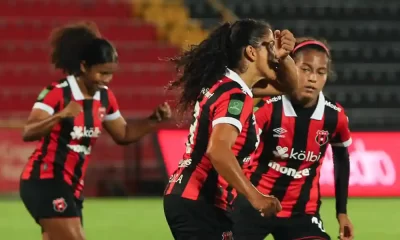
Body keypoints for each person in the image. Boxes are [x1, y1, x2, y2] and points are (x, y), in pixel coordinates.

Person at [19, 22, 171, 240]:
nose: (106, 80)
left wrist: (152, 121)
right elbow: (29, 132)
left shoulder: (105, 97)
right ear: (83, 67)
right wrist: (60, 116)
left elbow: (124, 134)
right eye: (101, 73)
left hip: (73, 187)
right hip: (45, 180)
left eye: (110, 73)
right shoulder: (58, 93)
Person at [163, 19, 298, 240]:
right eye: (270, 45)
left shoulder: (230, 85)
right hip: (199, 201)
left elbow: (290, 86)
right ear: (251, 53)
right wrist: (256, 197)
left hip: (195, 200)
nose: (274, 52)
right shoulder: (236, 95)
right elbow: (218, 151)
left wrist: (283, 56)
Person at [231, 37, 355, 240]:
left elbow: (342, 160)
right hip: (254, 204)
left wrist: (342, 212)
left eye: (320, 72)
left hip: (301, 212)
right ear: (290, 68)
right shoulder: (269, 107)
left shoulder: (335, 115)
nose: (313, 78)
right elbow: (237, 151)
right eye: (305, 69)